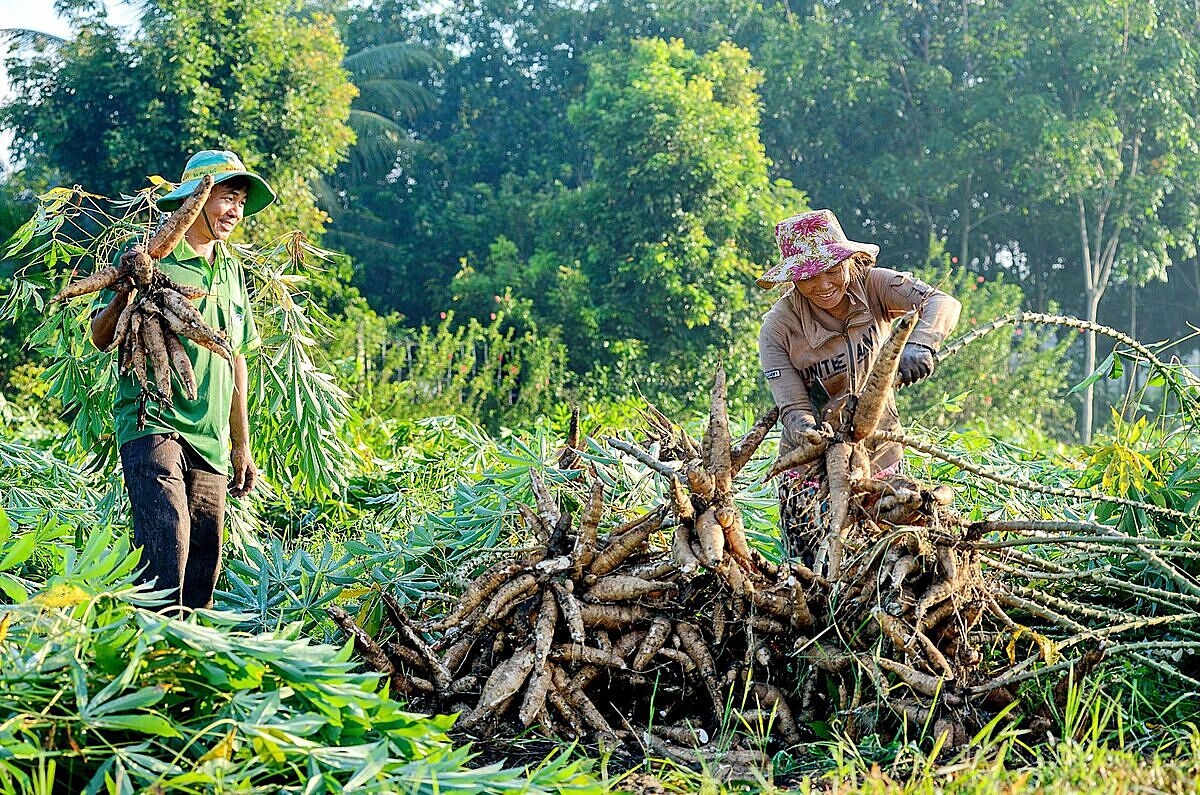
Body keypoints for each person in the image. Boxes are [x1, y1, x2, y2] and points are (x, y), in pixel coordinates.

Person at [90, 149, 275, 611]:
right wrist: (126, 293)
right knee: (165, 553)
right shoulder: (148, 256)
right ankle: (144, 664)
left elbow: (237, 360)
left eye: (239, 201)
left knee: (200, 573)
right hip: (152, 420)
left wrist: (241, 444)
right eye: (225, 197)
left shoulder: (231, 270)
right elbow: (100, 336)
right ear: (196, 198)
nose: (234, 210)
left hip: (210, 436)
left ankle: (187, 667)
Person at [756, 209, 961, 552]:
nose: (822, 285)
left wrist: (921, 344)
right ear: (792, 278)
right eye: (808, 277)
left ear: (849, 261)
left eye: (832, 270)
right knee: (819, 571)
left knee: (897, 551)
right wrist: (811, 434)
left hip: (881, 453)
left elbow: (942, 302)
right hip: (811, 473)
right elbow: (792, 407)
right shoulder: (777, 328)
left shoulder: (875, 285)